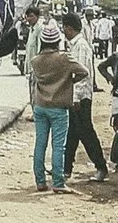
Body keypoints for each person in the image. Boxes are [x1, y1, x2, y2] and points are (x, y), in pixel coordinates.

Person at [28, 22, 82, 193]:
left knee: (40, 144)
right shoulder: (64, 58)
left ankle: (40, 181)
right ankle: (58, 182)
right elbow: (84, 72)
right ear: (58, 40)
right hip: (59, 107)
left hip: (40, 106)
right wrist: (68, 82)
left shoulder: (35, 60)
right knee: (58, 146)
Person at [59, 12, 110, 184]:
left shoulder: (80, 46)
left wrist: (76, 98)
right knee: (72, 133)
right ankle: (66, 169)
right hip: (76, 96)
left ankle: (101, 166)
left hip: (80, 97)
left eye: (64, 27)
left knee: (86, 133)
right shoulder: (75, 45)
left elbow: (81, 73)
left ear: (68, 27)